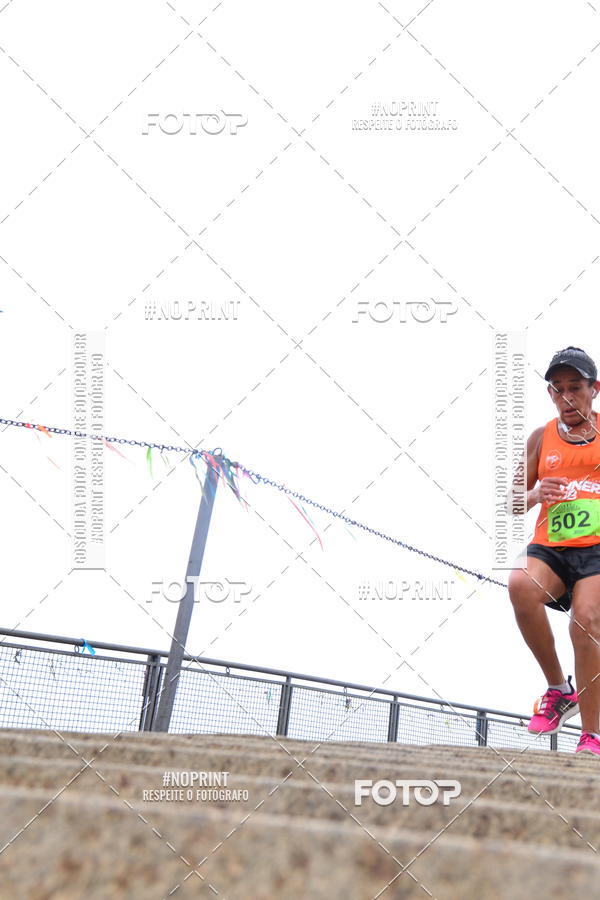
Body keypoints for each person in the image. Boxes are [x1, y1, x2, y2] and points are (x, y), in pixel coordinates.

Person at [508, 346, 600, 756]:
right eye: (557, 389)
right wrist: (533, 493)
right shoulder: (540, 438)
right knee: (520, 585)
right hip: (551, 547)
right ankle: (559, 689)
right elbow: (510, 502)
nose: (566, 398)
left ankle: (592, 735)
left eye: (575, 389)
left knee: (586, 621)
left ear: (594, 390)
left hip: (596, 551)